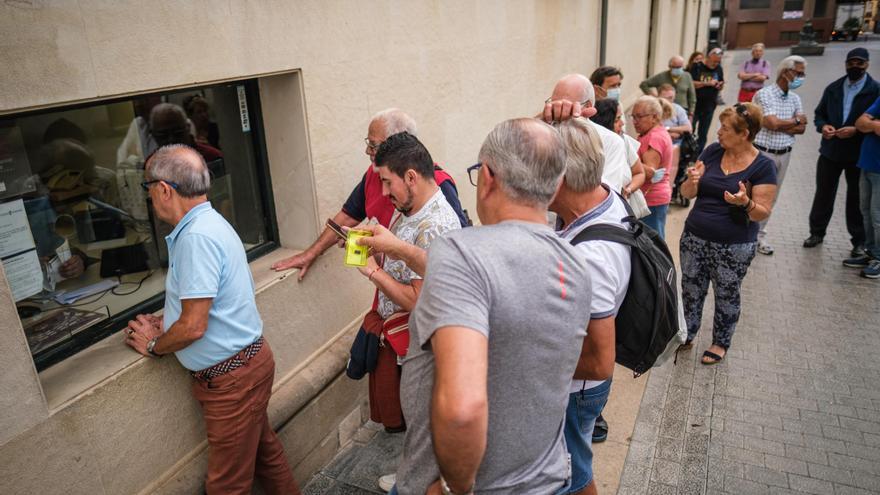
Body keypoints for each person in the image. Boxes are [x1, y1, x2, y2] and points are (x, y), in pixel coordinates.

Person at [386, 118, 591, 495]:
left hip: (465, 484)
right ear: (556, 184)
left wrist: (454, 488)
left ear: (489, 178)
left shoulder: (459, 252)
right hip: (544, 480)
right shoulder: (576, 263)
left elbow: (462, 411)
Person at [124, 144, 300, 494]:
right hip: (245, 369)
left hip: (232, 381)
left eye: (148, 188)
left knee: (226, 486)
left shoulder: (196, 237)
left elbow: (194, 325)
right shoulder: (208, 222)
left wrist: (156, 345)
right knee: (266, 454)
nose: (149, 197)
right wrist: (170, 319)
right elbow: (200, 306)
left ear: (163, 189)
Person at [270, 108, 466, 279]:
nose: (367, 151)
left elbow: (455, 255)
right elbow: (348, 216)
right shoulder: (373, 175)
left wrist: (376, 270)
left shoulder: (437, 186)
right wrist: (311, 253)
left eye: (373, 145)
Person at [359, 132, 462, 442]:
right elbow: (402, 267)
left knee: (423, 430)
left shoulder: (435, 226)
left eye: (388, 182)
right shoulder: (412, 209)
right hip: (405, 344)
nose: (384, 191)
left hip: (419, 348)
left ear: (411, 176)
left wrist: (373, 271)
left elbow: (418, 300)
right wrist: (376, 248)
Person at [550, 118, 630, 495]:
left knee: (568, 473)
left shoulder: (591, 258)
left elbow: (600, 360)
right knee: (576, 466)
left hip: (576, 388)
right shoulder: (605, 194)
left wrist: (531, 361)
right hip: (580, 386)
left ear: (560, 179)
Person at [679, 103, 777, 364]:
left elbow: (762, 212)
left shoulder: (763, 166)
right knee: (690, 288)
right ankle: (687, 332)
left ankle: (720, 342)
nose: (718, 132)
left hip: (734, 246)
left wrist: (744, 203)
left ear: (744, 133)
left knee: (726, 293)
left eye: (724, 128)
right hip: (694, 237)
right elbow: (687, 194)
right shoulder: (712, 152)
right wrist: (691, 180)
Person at [807, 48, 877, 256]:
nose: (855, 66)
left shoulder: (875, 90)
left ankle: (858, 240)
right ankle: (817, 232)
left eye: (860, 63)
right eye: (852, 63)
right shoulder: (834, 88)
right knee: (823, 194)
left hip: (858, 153)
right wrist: (824, 126)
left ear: (867, 65)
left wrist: (856, 130)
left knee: (856, 198)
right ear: (846, 64)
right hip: (831, 150)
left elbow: (871, 122)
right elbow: (819, 114)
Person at [542, 74, 645, 199]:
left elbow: (608, 194)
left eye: (568, 105)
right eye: (553, 103)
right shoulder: (542, 134)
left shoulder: (611, 142)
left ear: (588, 107)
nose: (558, 110)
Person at [752, 55, 808, 255]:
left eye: (803, 73)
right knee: (754, 194)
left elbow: (802, 129)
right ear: (785, 72)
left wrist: (785, 123)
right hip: (763, 152)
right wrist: (794, 120)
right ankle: (747, 233)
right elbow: (770, 123)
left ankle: (759, 236)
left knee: (770, 197)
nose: (802, 77)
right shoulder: (764, 94)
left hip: (784, 153)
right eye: (798, 73)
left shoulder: (795, 98)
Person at [592, 98, 651, 219]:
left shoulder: (624, 141)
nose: (622, 123)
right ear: (605, 123)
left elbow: (639, 173)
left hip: (625, 216)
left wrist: (629, 189)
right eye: (617, 119)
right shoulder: (590, 149)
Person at [633, 96, 674, 239]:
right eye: (633, 116)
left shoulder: (654, 137)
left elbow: (650, 172)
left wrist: (627, 158)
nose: (634, 121)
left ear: (654, 117)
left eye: (639, 117)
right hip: (653, 198)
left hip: (651, 199)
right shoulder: (652, 133)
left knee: (652, 246)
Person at [853, 94, 880, 278]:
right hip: (868, 164)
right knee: (866, 211)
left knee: (878, 215)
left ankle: (878, 258)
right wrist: (875, 125)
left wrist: (872, 123)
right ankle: (870, 252)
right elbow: (860, 123)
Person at [150, 103, 223, 162]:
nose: (171, 139)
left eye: (178, 133)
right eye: (163, 136)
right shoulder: (151, 164)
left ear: (188, 128)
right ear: (153, 134)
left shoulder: (212, 157)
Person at [691, 47, 725, 153]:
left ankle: (698, 156)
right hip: (695, 105)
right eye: (714, 61)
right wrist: (706, 83)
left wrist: (720, 85)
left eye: (718, 61)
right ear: (709, 57)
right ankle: (688, 154)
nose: (716, 64)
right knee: (690, 131)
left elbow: (721, 82)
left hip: (709, 106)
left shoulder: (719, 68)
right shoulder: (697, 67)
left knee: (703, 133)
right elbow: (691, 83)